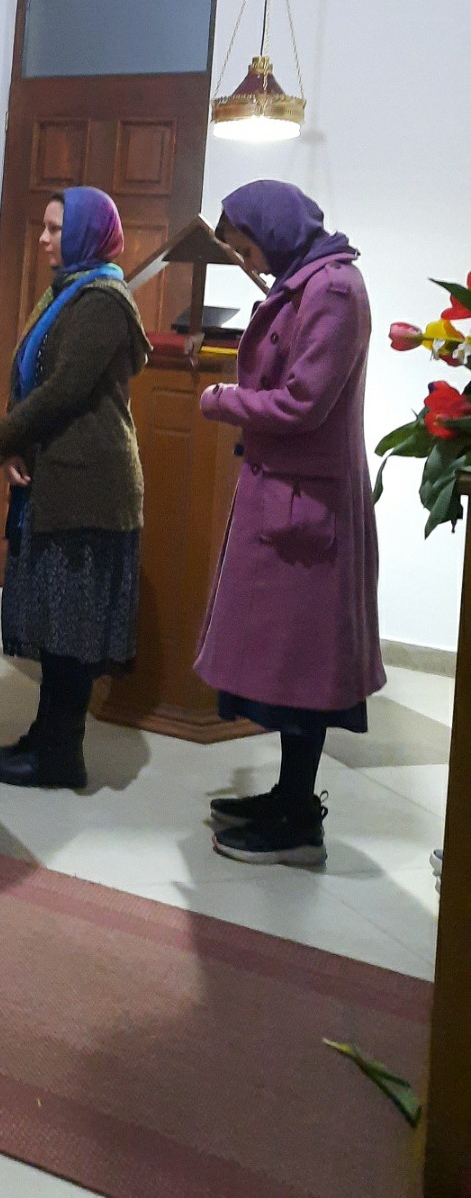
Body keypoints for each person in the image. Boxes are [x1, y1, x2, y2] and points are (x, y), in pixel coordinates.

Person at [197, 180, 384, 867]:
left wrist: (224, 401)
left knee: (304, 668)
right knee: (286, 663)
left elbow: (305, 402)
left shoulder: (332, 290)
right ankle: (287, 796)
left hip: (309, 508)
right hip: (288, 496)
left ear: (271, 230)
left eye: (246, 248)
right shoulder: (310, 282)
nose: (249, 262)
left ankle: (300, 819)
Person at [0, 188, 149, 791]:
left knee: (71, 627)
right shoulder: (70, 290)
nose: (44, 238)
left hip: (90, 485)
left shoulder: (102, 301)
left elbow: (64, 389)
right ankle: (46, 735)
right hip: (61, 474)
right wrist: (18, 444)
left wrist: (1, 439)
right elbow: (32, 376)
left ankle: (61, 755)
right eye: (46, 227)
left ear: (86, 234)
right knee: (57, 622)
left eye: (56, 229)